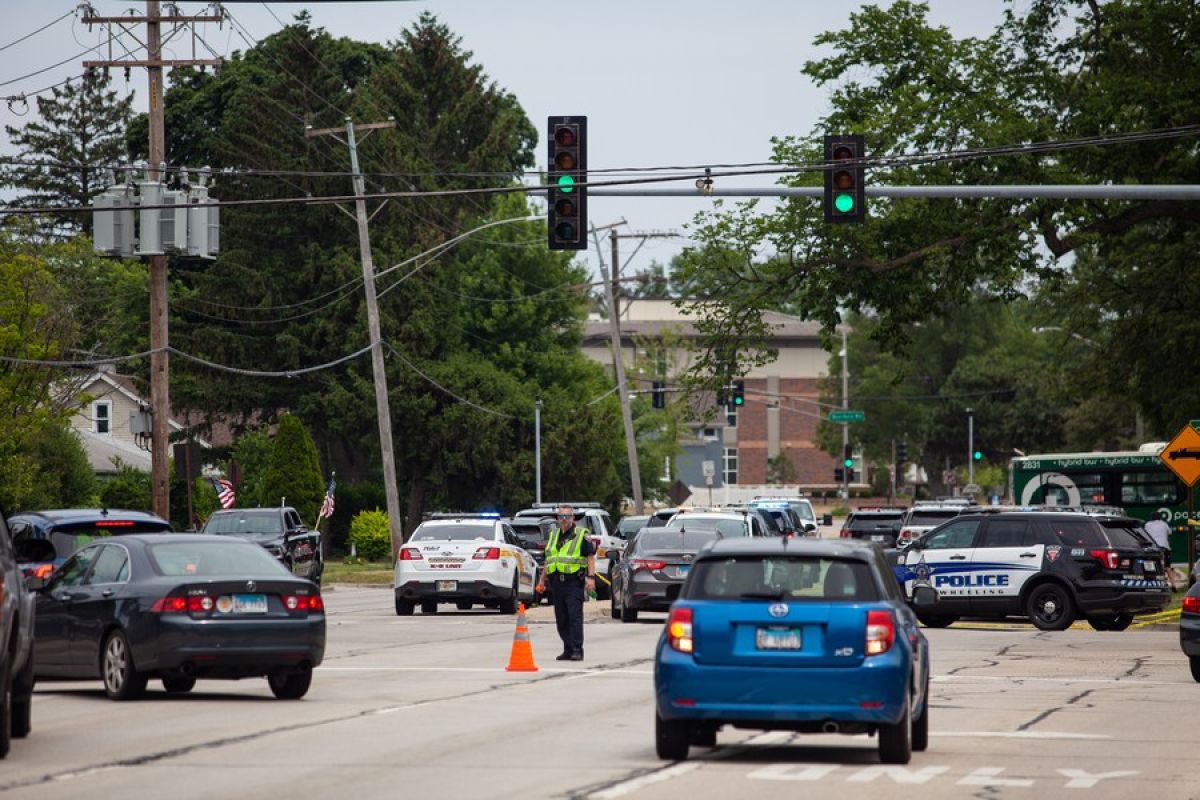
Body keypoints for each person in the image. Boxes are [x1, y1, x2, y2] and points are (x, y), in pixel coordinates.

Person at [535, 504, 596, 661]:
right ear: (557, 518)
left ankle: (577, 649)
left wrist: (591, 578)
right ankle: (567, 649)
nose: (564, 519)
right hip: (557, 583)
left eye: (567, 516)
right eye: (561, 516)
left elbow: (590, 557)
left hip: (574, 582)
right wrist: (542, 580)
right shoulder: (554, 535)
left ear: (572, 518)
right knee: (561, 618)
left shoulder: (582, 534)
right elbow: (549, 560)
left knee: (574, 617)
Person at [1143, 513, 1174, 587]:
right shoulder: (1164, 524)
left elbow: (1144, 534)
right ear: (1160, 518)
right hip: (1164, 547)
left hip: (1152, 549)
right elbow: (1170, 532)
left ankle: (1152, 583)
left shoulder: (1147, 525)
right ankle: (1173, 585)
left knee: (1151, 566)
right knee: (1168, 567)